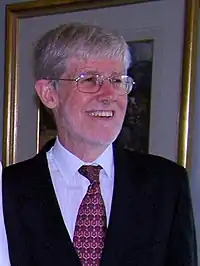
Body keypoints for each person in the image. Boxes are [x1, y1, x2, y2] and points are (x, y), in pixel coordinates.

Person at [0, 22, 197, 266]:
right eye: (90, 80)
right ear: (49, 93)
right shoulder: (8, 189)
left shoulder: (167, 184)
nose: (108, 95)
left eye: (116, 80)